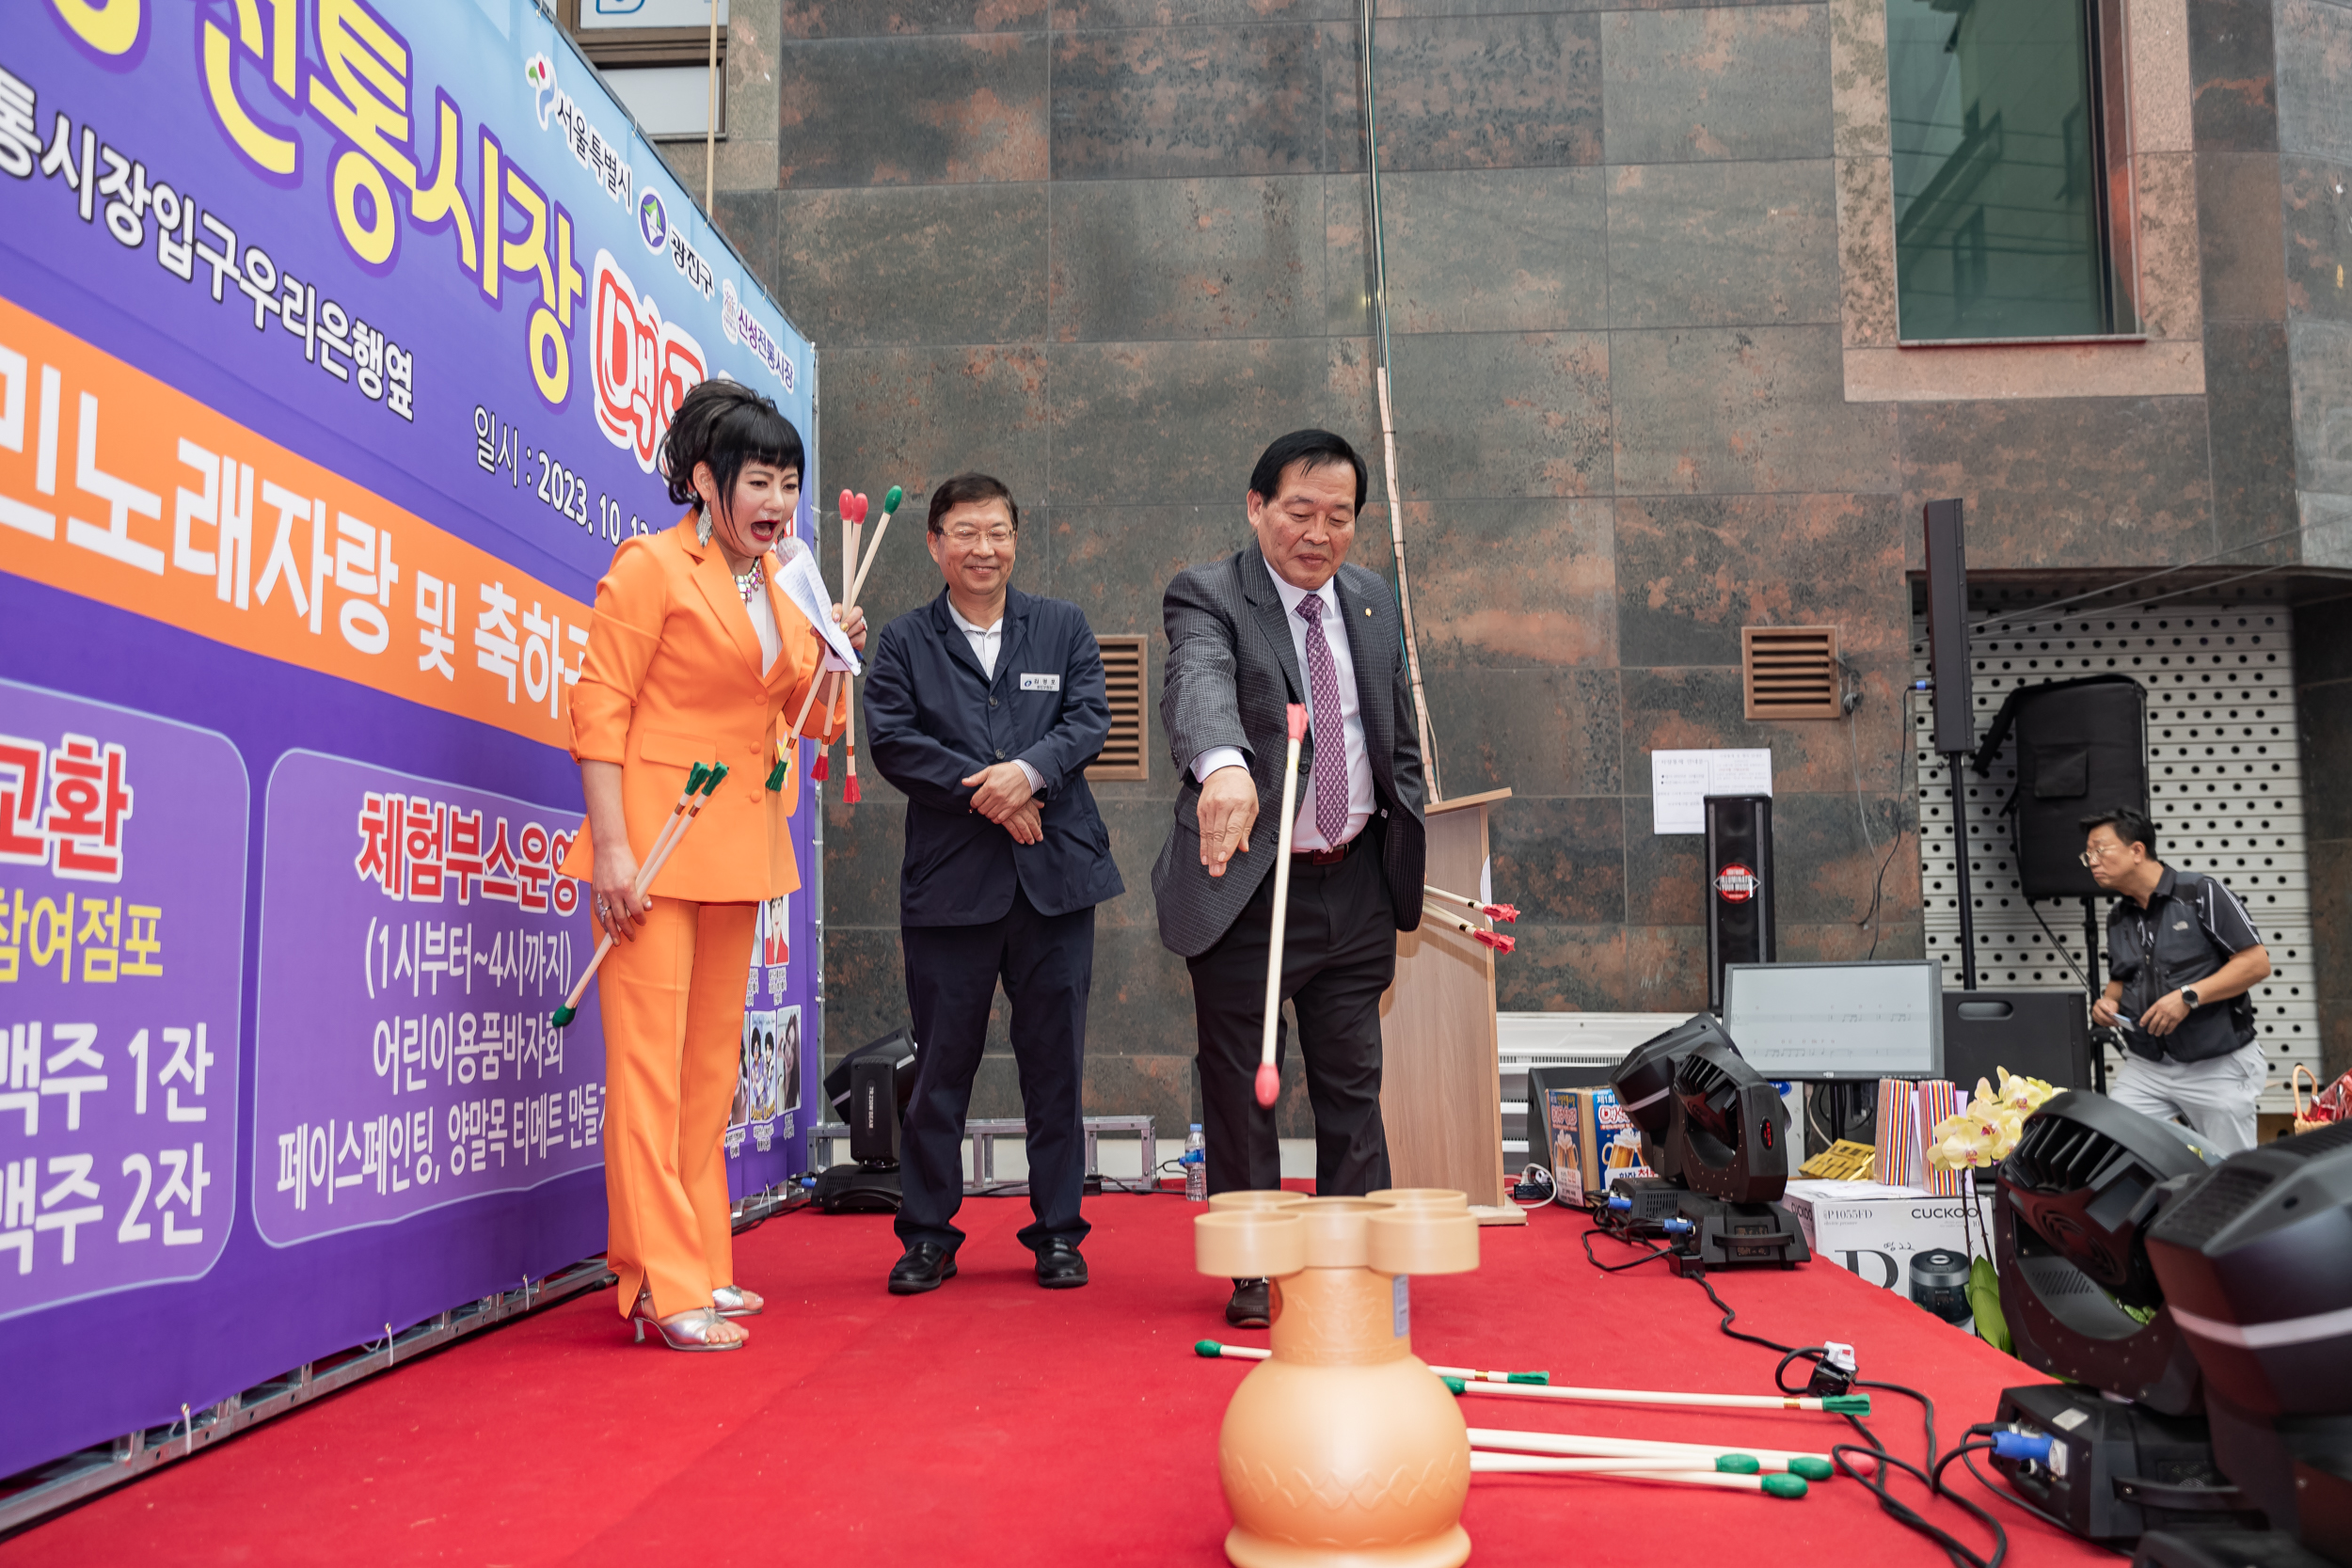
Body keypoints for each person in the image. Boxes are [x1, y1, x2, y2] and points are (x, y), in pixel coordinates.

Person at [559, 381, 863, 1351]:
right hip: (652, 844)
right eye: (759, 480)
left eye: (788, 483)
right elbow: (600, 708)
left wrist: (834, 657)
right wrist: (610, 849)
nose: (776, 502)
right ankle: (658, 1279)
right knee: (648, 1070)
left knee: (705, 1073)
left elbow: (801, 722)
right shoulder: (649, 566)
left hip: (739, 843)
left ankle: (700, 1257)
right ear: (703, 479)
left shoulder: (782, 585)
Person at [1152, 429, 1426, 1328]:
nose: (1318, 533)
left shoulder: (1374, 600)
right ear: (1256, 506)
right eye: (1299, 512)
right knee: (1241, 1079)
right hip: (1248, 882)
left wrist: (1407, 835)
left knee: (1353, 1077)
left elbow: (1393, 735)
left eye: (1339, 517)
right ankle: (1255, 1262)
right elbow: (1199, 687)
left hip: (1352, 883)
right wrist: (1224, 766)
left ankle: (1347, 1257)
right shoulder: (1209, 594)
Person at [863, 472, 1125, 1295]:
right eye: (966, 532)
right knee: (941, 1069)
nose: (985, 547)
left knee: (1056, 1067)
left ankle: (1057, 1232)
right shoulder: (904, 641)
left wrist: (1027, 773)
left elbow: (1090, 718)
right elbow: (895, 743)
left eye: (999, 531)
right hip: (951, 889)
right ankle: (929, 1235)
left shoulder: (1062, 626)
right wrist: (997, 792)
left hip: (1056, 882)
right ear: (935, 543)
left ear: (1017, 539)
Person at [2083, 807, 2273, 1155]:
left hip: (2217, 1064)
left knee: (2232, 1171)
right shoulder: (2117, 917)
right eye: (2087, 855)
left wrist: (2188, 996)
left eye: (2099, 850)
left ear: (2137, 851)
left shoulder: (2201, 892)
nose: (2091, 861)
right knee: (2111, 1151)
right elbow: (2120, 979)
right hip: (2147, 1065)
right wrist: (2107, 1004)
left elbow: (2256, 963)